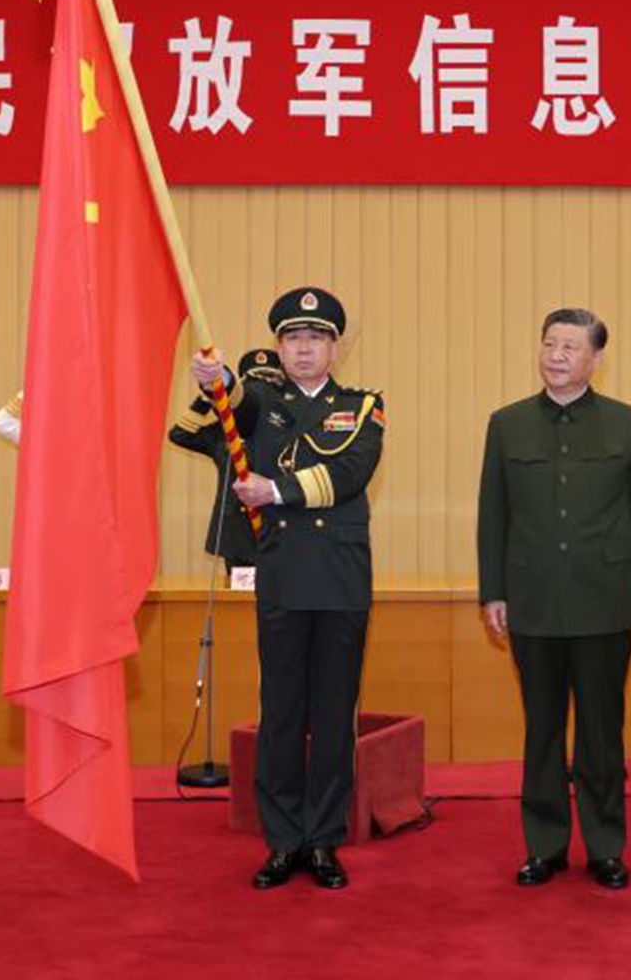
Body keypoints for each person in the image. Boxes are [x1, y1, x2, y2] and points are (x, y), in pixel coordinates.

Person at [185, 286, 385, 891]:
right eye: (293, 338)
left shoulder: (363, 405)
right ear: (278, 346)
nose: (304, 349)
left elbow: (350, 473)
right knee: (280, 715)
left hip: (341, 581)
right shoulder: (262, 402)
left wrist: (275, 491)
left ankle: (323, 840)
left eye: (316, 338)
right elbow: (231, 402)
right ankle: (283, 841)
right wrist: (214, 380)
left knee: (331, 716)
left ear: (335, 347)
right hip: (282, 575)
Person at [477, 309, 631, 892]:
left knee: (602, 734)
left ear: (595, 359)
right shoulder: (507, 424)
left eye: (569, 347)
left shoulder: (627, 423)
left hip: (604, 599)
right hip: (531, 598)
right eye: (549, 344)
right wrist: (494, 591)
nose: (556, 355)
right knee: (542, 730)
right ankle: (545, 846)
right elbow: (494, 514)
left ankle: (606, 846)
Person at [168, 349, 292, 566]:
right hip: (236, 530)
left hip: (279, 525)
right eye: (255, 381)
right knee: (236, 598)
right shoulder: (224, 431)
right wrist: (210, 397)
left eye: (271, 380)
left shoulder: (291, 423)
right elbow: (180, 434)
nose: (262, 388)